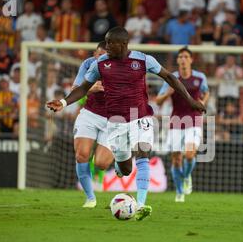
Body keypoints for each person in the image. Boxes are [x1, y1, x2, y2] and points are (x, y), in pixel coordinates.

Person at [47, 27, 205, 220]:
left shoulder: (143, 60)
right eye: (105, 42)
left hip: (141, 117)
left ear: (122, 44)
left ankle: (141, 204)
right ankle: (121, 169)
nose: (106, 46)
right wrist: (63, 102)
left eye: (109, 43)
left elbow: (170, 77)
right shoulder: (100, 64)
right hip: (116, 122)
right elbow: (83, 89)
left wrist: (190, 100)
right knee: (126, 168)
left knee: (142, 152)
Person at [156, 47, 210, 202]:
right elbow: (158, 101)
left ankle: (186, 177)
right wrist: (168, 93)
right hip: (176, 121)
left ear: (191, 60)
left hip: (194, 120)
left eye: (186, 56)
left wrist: (203, 102)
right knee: (176, 159)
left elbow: (207, 92)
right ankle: (179, 192)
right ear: (178, 60)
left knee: (189, 153)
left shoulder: (200, 77)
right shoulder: (172, 78)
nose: (183, 59)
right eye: (180, 57)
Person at [71, 41, 114, 208]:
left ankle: (120, 152)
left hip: (113, 119)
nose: (100, 59)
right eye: (98, 55)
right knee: (81, 155)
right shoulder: (88, 64)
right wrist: (91, 88)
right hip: (90, 114)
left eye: (104, 56)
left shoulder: (120, 68)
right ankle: (90, 198)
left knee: (101, 163)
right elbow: (75, 89)